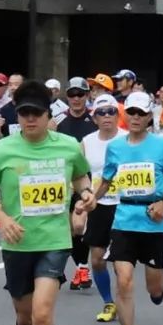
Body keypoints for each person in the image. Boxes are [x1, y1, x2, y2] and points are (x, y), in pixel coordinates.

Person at [0, 80, 94, 325]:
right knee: (25, 317)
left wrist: (86, 194)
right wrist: (3, 219)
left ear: (48, 114)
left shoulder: (67, 145)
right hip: (18, 242)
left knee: (42, 315)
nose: (30, 119)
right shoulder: (1, 150)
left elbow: (81, 176)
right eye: (24, 114)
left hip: (54, 239)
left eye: (37, 114)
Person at [88, 92, 163, 325]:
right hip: (124, 219)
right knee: (124, 280)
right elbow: (106, 181)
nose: (135, 117)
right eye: (131, 112)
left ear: (150, 116)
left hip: (153, 221)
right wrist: (90, 201)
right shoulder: (115, 147)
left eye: (141, 113)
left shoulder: (161, 145)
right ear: (124, 114)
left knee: (154, 288)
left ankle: (159, 287)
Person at [81, 95, 128, 322]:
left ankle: (122, 300)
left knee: (121, 262)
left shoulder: (129, 138)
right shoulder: (87, 141)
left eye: (111, 111)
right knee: (98, 259)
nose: (107, 116)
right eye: (102, 112)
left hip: (125, 204)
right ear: (94, 117)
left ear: (118, 115)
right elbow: (78, 174)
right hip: (99, 204)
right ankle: (109, 302)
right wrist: (83, 197)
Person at [56, 77, 98, 291]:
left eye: (80, 94)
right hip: (65, 181)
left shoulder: (96, 120)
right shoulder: (58, 122)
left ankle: (83, 266)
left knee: (79, 225)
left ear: (87, 95)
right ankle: (80, 266)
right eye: (72, 95)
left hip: (88, 181)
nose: (76, 99)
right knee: (70, 229)